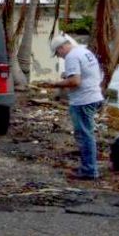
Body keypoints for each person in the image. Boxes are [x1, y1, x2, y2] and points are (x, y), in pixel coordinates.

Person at [36, 35, 104, 179]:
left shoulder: (71, 57)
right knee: (87, 134)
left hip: (83, 100)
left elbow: (75, 81)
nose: (59, 57)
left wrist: (54, 84)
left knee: (84, 135)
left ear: (61, 48)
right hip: (93, 96)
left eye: (58, 53)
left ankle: (89, 170)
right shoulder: (84, 52)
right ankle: (89, 166)